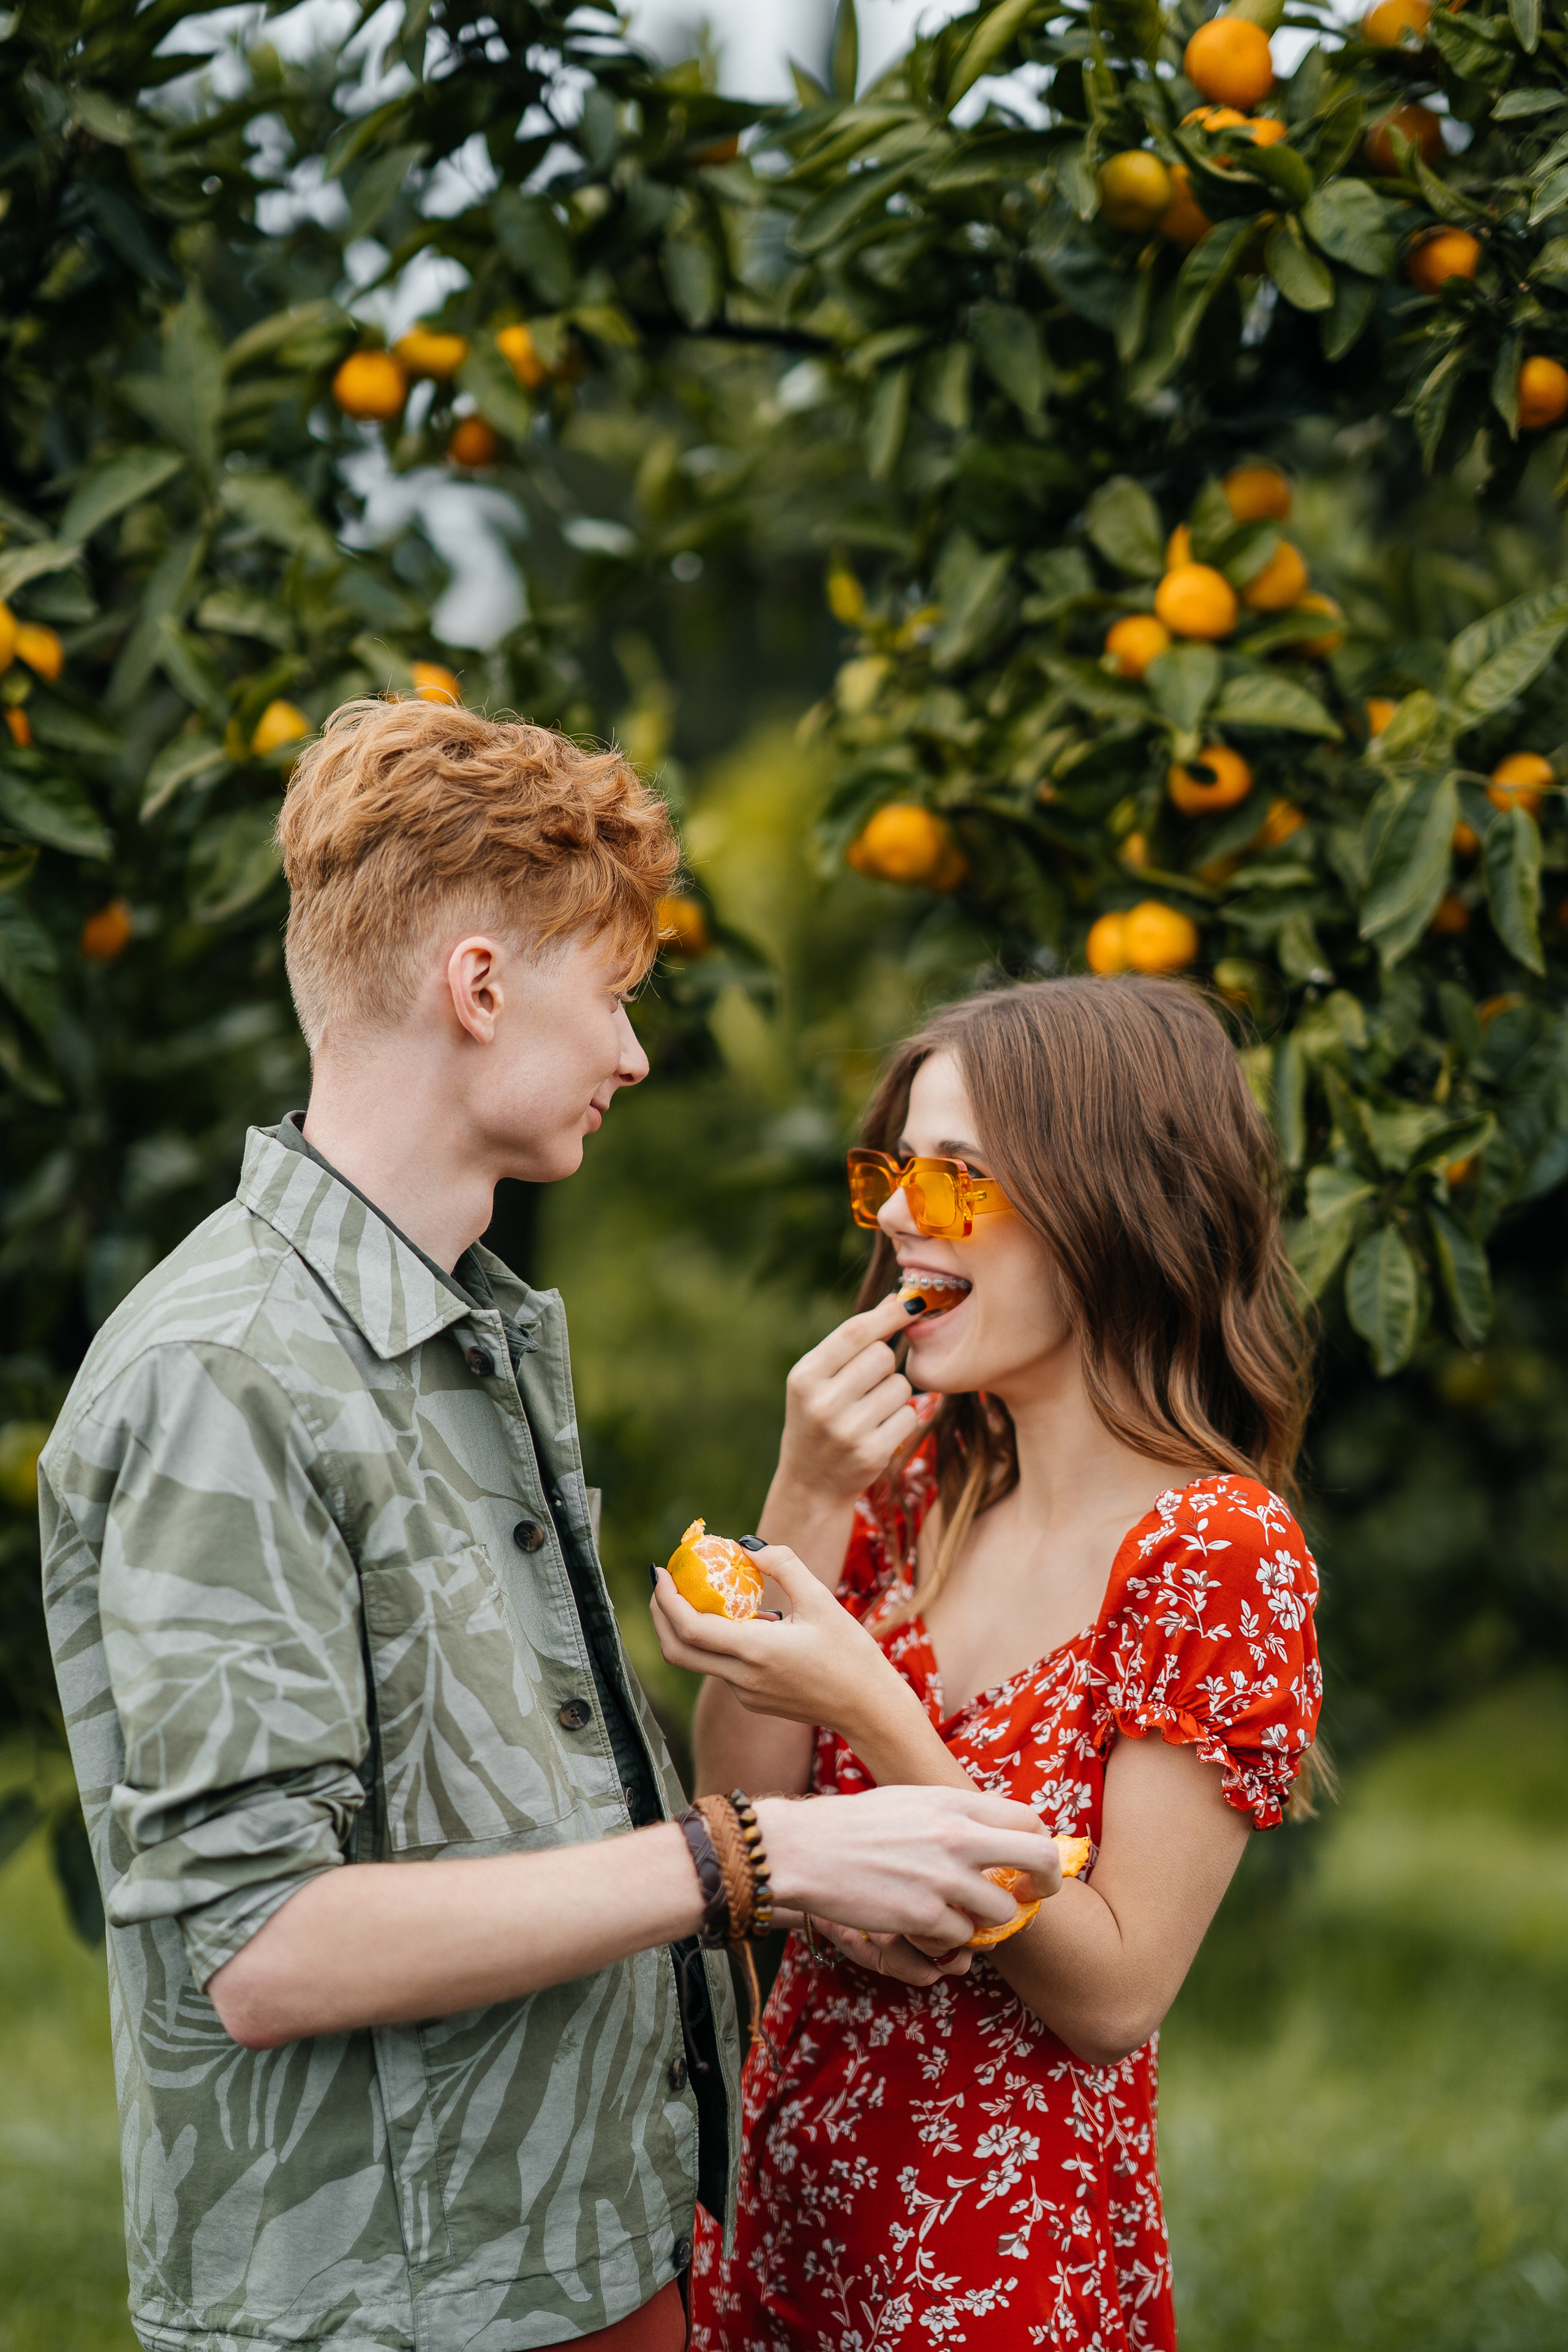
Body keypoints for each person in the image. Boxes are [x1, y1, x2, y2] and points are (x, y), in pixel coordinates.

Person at [37, 698, 1062, 2352]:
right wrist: (757, 1858)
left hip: (581, 2268)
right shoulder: (224, 1373)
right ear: (481, 984)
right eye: (617, 992)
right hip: (393, 2314)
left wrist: (787, 1884)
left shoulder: (467, 1337)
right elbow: (267, 1951)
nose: (636, 1055)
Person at [654, 975, 1324, 2351]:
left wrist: (879, 1722)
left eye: (956, 1178)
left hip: (994, 2260)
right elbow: (743, 1808)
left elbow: (1114, 1992)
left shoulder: (1212, 1554)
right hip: (796, 2205)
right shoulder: (918, 1497)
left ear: (1108, 1205)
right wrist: (803, 1496)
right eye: (893, 1173)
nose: (900, 1214)